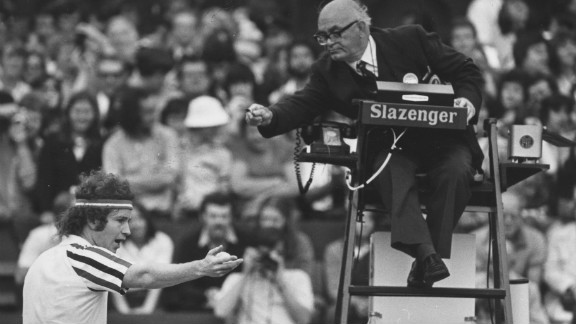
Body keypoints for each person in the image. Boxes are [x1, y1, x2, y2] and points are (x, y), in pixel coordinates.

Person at [245, 0, 484, 287]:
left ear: (360, 27)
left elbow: (467, 71)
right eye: (323, 36)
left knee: (457, 171)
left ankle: (425, 258)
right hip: (391, 148)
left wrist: (467, 102)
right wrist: (271, 115)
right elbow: (303, 103)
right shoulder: (327, 71)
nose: (329, 43)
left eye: (336, 33)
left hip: (444, 141)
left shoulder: (410, 39)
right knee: (391, 171)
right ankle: (427, 255)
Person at [22, 170, 242, 324]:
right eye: (120, 220)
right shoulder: (84, 257)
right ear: (92, 220)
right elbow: (145, 276)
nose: (127, 231)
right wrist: (201, 267)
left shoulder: (42, 261)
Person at [213, 220, 314, 324]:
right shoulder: (237, 279)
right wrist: (245, 274)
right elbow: (220, 312)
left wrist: (281, 283)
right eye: (263, 254)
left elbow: (304, 319)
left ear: (283, 254)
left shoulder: (298, 277)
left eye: (277, 253)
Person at [164, 191, 247, 311]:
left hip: (237, 308)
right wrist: (205, 295)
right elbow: (177, 281)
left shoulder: (245, 241)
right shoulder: (188, 242)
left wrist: (225, 297)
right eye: (213, 216)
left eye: (224, 216)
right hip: (196, 308)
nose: (219, 222)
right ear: (202, 217)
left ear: (232, 217)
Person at [112, 203, 174, 314]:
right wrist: (123, 310)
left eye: (140, 218)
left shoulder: (162, 240)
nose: (136, 225)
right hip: (123, 298)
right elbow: (113, 278)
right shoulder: (116, 243)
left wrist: (148, 309)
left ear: (147, 219)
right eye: (130, 221)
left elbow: (161, 277)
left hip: (155, 298)